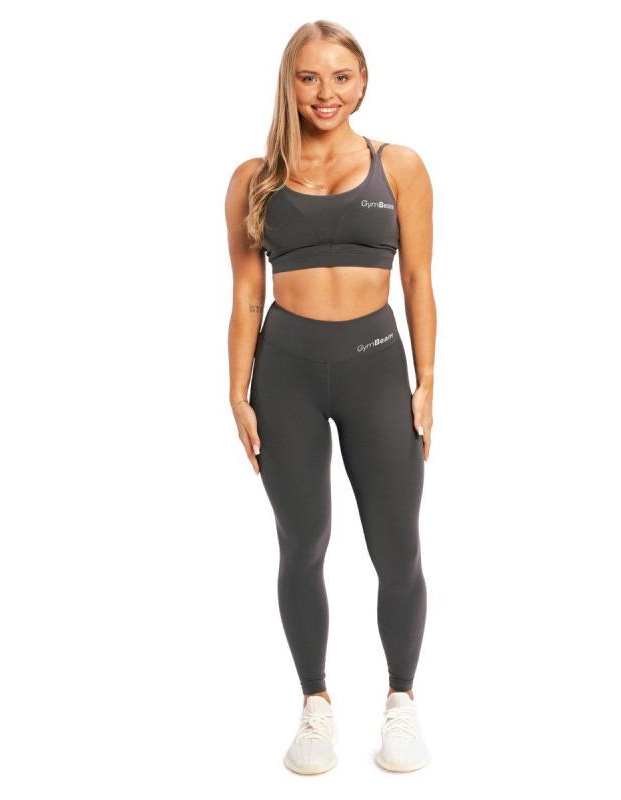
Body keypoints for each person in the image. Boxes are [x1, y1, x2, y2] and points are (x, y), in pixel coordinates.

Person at [225, 20, 436, 774]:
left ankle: (401, 701)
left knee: (396, 544)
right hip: (286, 376)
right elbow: (247, 295)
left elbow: (418, 280)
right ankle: (314, 705)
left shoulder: (398, 166)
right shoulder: (255, 179)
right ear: (289, 83)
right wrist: (237, 393)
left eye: (341, 77)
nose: (326, 93)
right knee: (303, 541)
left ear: (363, 80)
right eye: (310, 77)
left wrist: (427, 382)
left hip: (376, 370)